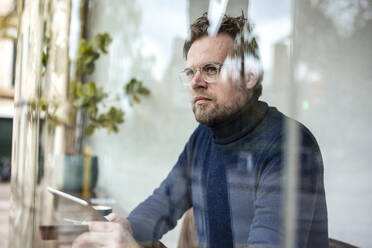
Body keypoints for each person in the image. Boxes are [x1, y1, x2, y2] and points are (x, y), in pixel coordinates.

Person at [73, 13, 328, 248]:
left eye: (210, 69)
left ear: (249, 76)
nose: (195, 82)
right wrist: (127, 227)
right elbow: (164, 201)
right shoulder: (204, 137)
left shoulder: (289, 146)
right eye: (190, 72)